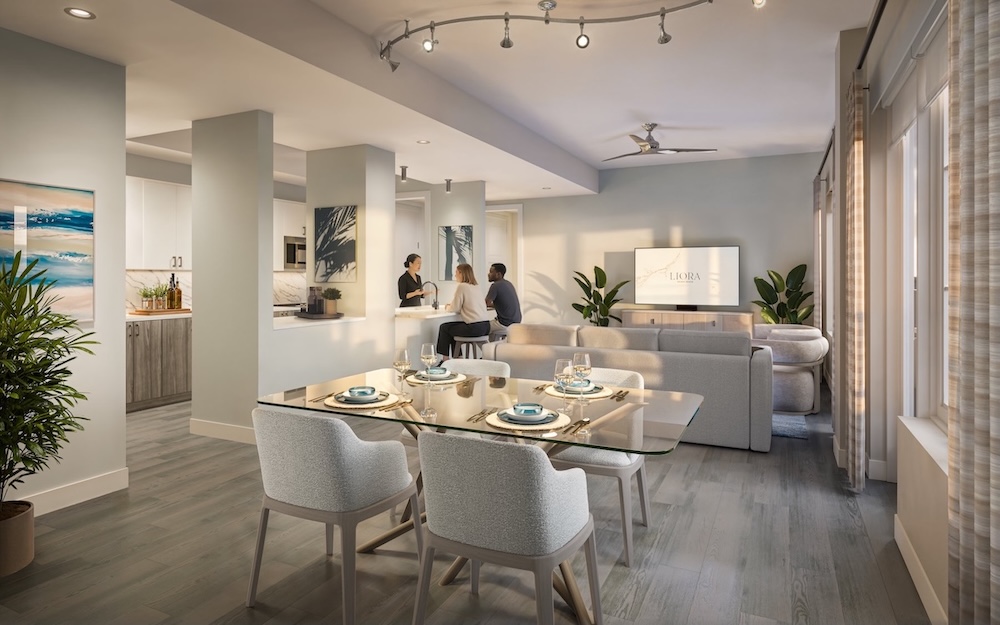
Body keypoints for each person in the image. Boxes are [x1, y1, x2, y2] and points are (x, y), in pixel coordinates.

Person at [435, 263, 490, 360]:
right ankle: (458, 358)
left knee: (444, 328)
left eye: (456, 272)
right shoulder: (476, 286)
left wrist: (447, 307)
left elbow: (454, 308)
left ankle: (445, 360)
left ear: (461, 273)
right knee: (453, 328)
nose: (455, 275)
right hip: (485, 326)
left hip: (474, 327)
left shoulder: (462, 286)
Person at [485, 262, 522, 335]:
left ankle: (488, 346)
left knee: (481, 327)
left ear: (498, 274)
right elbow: (503, 303)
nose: (488, 274)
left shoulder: (495, 285)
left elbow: (486, 303)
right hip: (516, 322)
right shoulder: (508, 283)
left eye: (491, 272)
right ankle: (493, 345)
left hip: (504, 323)